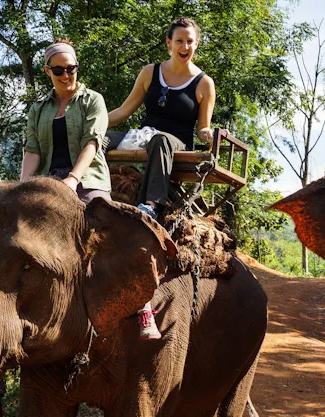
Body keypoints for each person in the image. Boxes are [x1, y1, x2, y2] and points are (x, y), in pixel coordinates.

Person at [104, 17, 216, 340]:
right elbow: (124, 112)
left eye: (190, 42)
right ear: (168, 43)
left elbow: (202, 128)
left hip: (174, 143)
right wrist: (92, 123)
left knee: (162, 141)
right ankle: (84, 188)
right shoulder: (150, 73)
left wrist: (211, 135)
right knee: (103, 138)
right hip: (143, 135)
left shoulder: (203, 84)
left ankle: (151, 203)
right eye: (179, 41)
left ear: (196, 44)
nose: (185, 47)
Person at [20, 39, 112, 204]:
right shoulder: (37, 109)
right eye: (58, 70)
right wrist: (22, 185)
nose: (66, 75)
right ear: (47, 71)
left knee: (100, 219)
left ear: (77, 66)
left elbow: (91, 143)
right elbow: (33, 150)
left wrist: (73, 179)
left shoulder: (93, 100)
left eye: (71, 69)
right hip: (48, 181)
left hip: (87, 181)